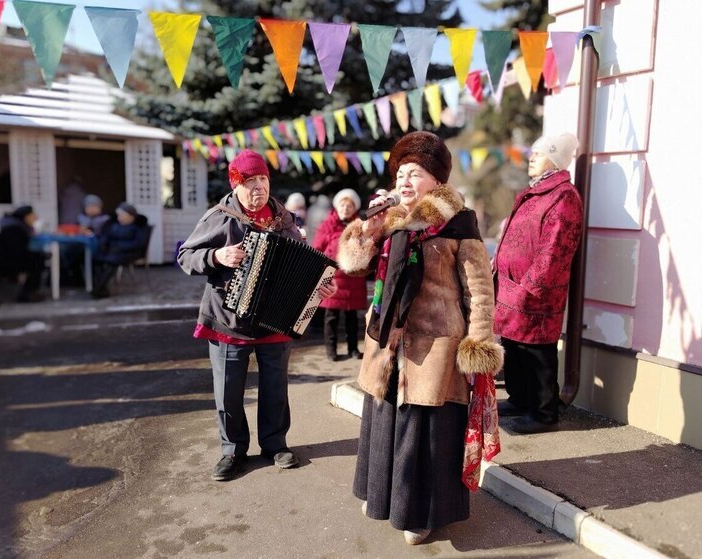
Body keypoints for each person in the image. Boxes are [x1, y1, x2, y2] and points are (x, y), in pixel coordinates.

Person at [338, 132, 503, 545]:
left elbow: (480, 290)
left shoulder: (459, 222)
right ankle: (384, 498)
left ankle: (422, 514)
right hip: (388, 341)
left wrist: (478, 346)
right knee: (386, 419)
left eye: (415, 173)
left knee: (425, 432)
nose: (405, 181)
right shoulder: (392, 218)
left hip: (436, 344)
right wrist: (366, 229)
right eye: (401, 173)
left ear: (437, 180)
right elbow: (353, 264)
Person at [177, 150, 337, 482]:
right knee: (228, 390)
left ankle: (275, 444)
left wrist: (321, 287)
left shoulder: (285, 219)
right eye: (249, 182)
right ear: (236, 185)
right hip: (228, 320)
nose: (257, 188)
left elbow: (306, 268)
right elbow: (186, 256)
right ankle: (232, 450)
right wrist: (217, 255)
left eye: (262, 180)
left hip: (274, 321)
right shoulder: (219, 217)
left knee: (275, 386)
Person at [493, 132, 583, 434]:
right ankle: (520, 400)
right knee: (514, 347)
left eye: (540, 153)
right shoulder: (537, 191)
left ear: (555, 159)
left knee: (537, 351)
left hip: (536, 293)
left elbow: (554, 251)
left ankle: (544, 414)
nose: (531, 157)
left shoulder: (563, 196)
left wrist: (530, 287)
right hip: (511, 287)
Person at [311, 188, 367, 361]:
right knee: (331, 317)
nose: (345, 208)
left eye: (349, 205)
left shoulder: (360, 225)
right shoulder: (327, 225)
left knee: (352, 317)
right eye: (342, 205)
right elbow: (317, 250)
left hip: (353, 278)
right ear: (337, 206)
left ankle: (353, 349)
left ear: (354, 207)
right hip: (333, 280)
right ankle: (331, 349)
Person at [90, 202, 150, 299]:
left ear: (130, 216)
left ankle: (98, 289)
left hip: (129, 252)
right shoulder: (114, 225)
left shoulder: (137, 227)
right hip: (113, 250)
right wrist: (104, 243)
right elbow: (106, 237)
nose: (120, 217)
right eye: (119, 215)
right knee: (96, 258)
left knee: (112, 261)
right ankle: (102, 288)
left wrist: (119, 246)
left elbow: (138, 243)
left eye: (122, 215)